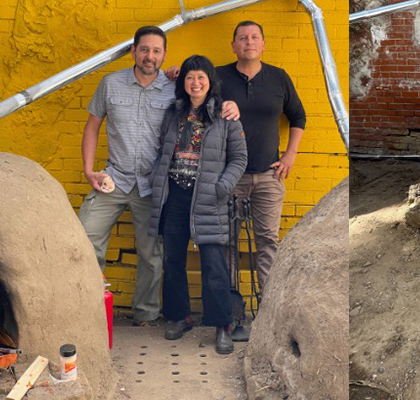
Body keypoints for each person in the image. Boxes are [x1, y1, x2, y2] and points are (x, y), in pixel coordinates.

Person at [79, 26, 239, 326]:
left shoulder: (174, 88)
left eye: (156, 51)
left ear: (164, 55)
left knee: (152, 254)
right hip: (113, 177)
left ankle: (146, 313)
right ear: (133, 51)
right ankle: (86, 311)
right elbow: (92, 126)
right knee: (85, 239)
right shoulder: (110, 84)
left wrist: (230, 103)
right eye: (144, 49)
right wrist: (89, 171)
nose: (149, 56)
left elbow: (204, 99)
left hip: (153, 185)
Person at [148, 55, 247, 354]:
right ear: (183, 82)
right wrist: (158, 181)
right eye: (190, 77)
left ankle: (222, 327)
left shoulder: (225, 116)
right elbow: (161, 151)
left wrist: (222, 187)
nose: (195, 83)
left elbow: (240, 159)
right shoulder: (173, 113)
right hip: (175, 195)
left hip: (209, 197)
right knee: (173, 260)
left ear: (210, 82)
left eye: (201, 77)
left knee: (214, 265)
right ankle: (180, 318)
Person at [217, 21, 306, 340]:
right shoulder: (219, 76)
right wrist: (176, 74)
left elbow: (298, 117)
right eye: (242, 37)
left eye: (255, 37)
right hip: (228, 176)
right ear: (234, 45)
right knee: (227, 243)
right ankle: (230, 315)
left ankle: (267, 315)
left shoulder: (278, 77)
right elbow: (193, 103)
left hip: (269, 175)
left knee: (267, 241)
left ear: (264, 44)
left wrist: (290, 155)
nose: (249, 42)